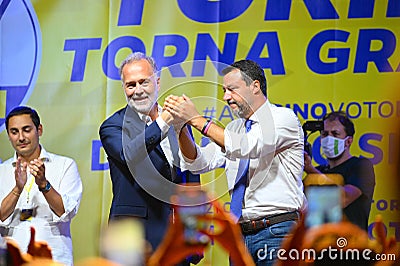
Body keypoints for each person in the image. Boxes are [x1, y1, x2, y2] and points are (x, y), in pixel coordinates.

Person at [164, 59, 306, 265]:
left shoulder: (283, 118)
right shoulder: (234, 128)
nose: (226, 97)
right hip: (240, 236)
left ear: (255, 86)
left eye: (232, 89)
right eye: (224, 90)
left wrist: (196, 118)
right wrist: (182, 126)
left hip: (277, 231)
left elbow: (246, 146)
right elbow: (199, 162)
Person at [99, 52, 200, 264]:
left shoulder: (179, 122)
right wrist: (163, 122)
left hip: (175, 239)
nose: (137, 91)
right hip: (132, 239)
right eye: (130, 85)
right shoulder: (113, 126)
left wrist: (195, 235)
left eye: (143, 82)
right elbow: (130, 155)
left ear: (158, 82)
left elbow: (191, 179)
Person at [0, 106, 83, 266]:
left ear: (39, 130)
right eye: (14, 132)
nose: (21, 137)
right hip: (12, 259)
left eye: (26, 130)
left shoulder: (64, 165)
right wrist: (17, 189)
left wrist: (44, 184)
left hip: (53, 258)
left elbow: (64, 211)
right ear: (9, 136)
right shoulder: (2, 171)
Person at [304, 111, 375, 231]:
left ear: (348, 141)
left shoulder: (361, 166)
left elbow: (344, 198)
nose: (329, 138)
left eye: (335, 134)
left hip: (350, 245)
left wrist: (310, 170)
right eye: (324, 134)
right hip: (318, 245)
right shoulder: (319, 171)